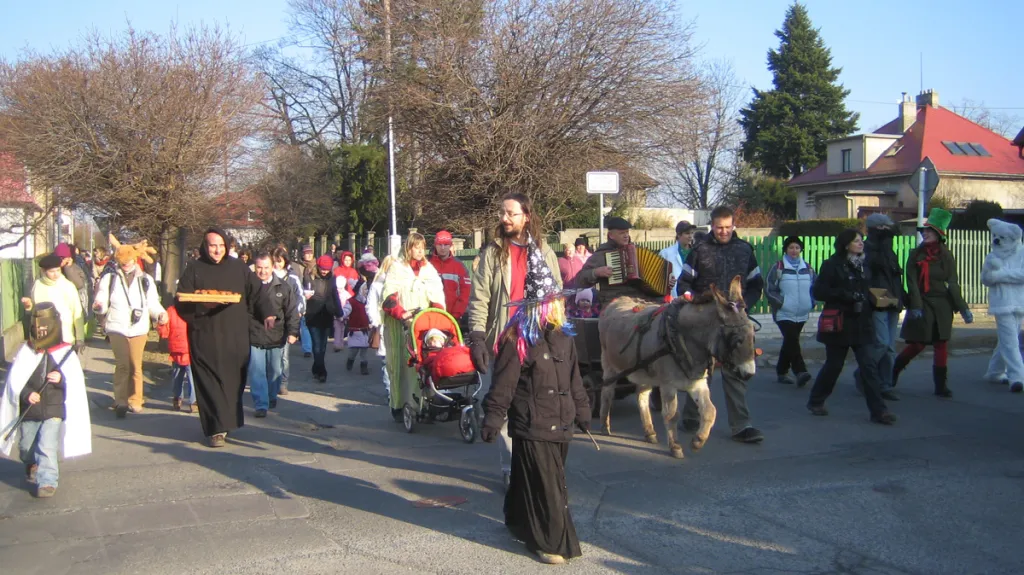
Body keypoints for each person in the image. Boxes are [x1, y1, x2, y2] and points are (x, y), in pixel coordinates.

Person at [481, 259, 589, 565]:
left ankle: (518, 520)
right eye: (554, 302)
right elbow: (503, 384)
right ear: (540, 307)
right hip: (531, 423)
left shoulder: (565, 337)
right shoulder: (517, 340)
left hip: (561, 422)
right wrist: (492, 418)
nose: (560, 307)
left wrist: (582, 410)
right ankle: (551, 542)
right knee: (548, 486)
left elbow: (575, 379)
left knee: (536, 477)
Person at [467, 192, 562, 489]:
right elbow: (479, 298)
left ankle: (533, 463)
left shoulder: (544, 251)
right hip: (504, 341)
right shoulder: (493, 254)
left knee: (536, 406)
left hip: (537, 341)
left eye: (511, 213)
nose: (504, 218)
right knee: (505, 407)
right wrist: (478, 339)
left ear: (526, 217)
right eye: (502, 213)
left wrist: (557, 336)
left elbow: (555, 296)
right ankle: (510, 470)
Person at [677, 206, 764, 444]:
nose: (723, 231)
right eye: (719, 227)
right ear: (712, 226)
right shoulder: (699, 250)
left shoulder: (745, 250)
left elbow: (757, 284)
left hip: (735, 320)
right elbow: (683, 284)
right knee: (701, 371)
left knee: (735, 370)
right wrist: (691, 300)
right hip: (707, 321)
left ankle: (741, 425)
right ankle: (691, 417)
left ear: (733, 226)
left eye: (727, 227)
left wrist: (746, 304)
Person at [0, 304, 92, 498]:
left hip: (53, 408)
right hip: (30, 409)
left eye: (45, 328)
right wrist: (26, 394)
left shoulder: (65, 351)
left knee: (47, 445)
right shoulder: (26, 351)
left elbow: (74, 383)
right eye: (37, 328)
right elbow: (14, 381)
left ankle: (47, 481)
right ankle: (31, 463)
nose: (41, 332)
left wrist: (61, 379)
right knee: (26, 446)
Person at [806, 229, 896, 425]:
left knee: (869, 367)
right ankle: (816, 400)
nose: (861, 243)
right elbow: (819, 291)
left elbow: (870, 289)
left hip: (862, 322)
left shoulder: (865, 265)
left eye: (861, 240)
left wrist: (883, 300)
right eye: (856, 241)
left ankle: (879, 411)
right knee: (834, 365)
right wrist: (844, 294)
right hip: (840, 323)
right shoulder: (832, 265)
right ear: (846, 244)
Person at [176, 229, 254, 447]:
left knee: (232, 383)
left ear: (227, 246)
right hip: (204, 337)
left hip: (234, 337)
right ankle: (215, 430)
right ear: (205, 246)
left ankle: (227, 422)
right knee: (208, 384)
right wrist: (203, 307)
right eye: (212, 245)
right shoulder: (194, 269)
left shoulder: (239, 268)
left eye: (220, 245)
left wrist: (269, 313)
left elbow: (256, 293)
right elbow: (181, 301)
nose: (217, 250)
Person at [894, 208, 973, 398]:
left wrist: (963, 308)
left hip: (943, 304)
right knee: (918, 344)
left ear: (939, 235)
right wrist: (916, 305)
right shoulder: (915, 255)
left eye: (929, 231)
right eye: (924, 231)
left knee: (941, 343)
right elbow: (911, 282)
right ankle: (893, 372)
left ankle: (940, 385)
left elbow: (952, 283)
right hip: (922, 302)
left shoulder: (946, 255)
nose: (925, 233)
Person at [93, 238, 168, 418]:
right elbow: (102, 298)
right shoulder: (109, 278)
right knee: (122, 364)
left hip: (139, 328)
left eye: (130, 261)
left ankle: (136, 399)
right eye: (123, 262)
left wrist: (160, 314)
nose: (127, 264)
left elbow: (152, 303)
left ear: (136, 260)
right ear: (118, 261)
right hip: (116, 327)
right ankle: (120, 400)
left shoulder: (146, 280)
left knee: (136, 365)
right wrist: (99, 306)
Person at [381, 233, 446, 420]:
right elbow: (388, 297)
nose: (419, 251)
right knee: (400, 367)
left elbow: (437, 295)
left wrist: (437, 315)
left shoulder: (429, 269)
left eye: (422, 247)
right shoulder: (397, 268)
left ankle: (425, 403)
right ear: (408, 248)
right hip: (400, 326)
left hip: (423, 324)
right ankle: (399, 405)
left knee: (423, 364)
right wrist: (401, 313)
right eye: (415, 247)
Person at [855, 214, 906, 400]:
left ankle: (885, 385)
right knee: (882, 342)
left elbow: (895, 276)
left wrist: (902, 297)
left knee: (890, 347)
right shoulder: (867, 249)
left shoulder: (889, 249)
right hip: (876, 301)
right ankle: (863, 372)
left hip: (892, 299)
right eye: (884, 228)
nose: (888, 231)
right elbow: (869, 274)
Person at [577, 217, 673, 309]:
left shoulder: (636, 251)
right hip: (615, 304)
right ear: (611, 235)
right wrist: (596, 272)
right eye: (621, 233)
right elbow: (580, 279)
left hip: (640, 301)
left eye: (627, 232)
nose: (626, 235)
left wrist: (667, 283)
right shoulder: (601, 254)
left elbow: (655, 278)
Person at [247, 253, 300, 418]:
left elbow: (291, 311)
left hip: (276, 336)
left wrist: (293, 332)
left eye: (266, 268)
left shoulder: (283, 287)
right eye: (259, 268)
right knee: (257, 371)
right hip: (254, 335)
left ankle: (271, 396)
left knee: (275, 370)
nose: (262, 271)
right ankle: (260, 404)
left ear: (272, 268)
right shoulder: (248, 287)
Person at [764, 236, 816, 386]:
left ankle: (781, 371)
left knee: (790, 341)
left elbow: (815, 287)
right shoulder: (778, 267)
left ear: (801, 250)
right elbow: (769, 288)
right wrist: (782, 303)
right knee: (792, 340)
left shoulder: (808, 268)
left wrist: (811, 302)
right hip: (783, 312)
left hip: (802, 313)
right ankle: (801, 371)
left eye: (797, 248)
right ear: (786, 249)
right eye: (791, 247)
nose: (794, 250)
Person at [982, 218, 1024, 392]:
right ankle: (1017, 377)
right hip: (1001, 303)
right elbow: (985, 279)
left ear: (1012, 239)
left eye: (1002, 237)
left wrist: (999, 275)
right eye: (995, 236)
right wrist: (992, 274)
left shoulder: (1021, 253)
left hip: (1019, 302)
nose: (997, 240)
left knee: (1007, 339)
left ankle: (994, 372)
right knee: (1011, 341)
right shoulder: (992, 257)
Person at [21, 255, 86, 351]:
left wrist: (80, 338)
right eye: (52, 271)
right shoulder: (38, 285)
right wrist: (29, 306)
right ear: (43, 271)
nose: (56, 274)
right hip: (43, 337)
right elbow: (36, 309)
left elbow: (77, 312)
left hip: (65, 337)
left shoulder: (68, 286)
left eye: (58, 270)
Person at [271, 248, 305, 396]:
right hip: (270, 322)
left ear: (285, 261)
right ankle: (271, 381)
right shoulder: (267, 276)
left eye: (279, 261)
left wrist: (297, 311)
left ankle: (283, 383)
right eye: (274, 261)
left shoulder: (292, 277)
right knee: (271, 355)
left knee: (284, 355)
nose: (277, 264)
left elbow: (300, 297)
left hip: (287, 321)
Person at [304, 255, 342, 383]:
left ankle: (316, 367)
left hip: (327, 314)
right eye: (322, 269)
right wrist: (306, 297)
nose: (325, 271)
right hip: (313, 313)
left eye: (327, 269)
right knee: (316, 345)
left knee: (323, 345)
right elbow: (303, 292)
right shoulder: (310, 276)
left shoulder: (332, 278)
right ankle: (322, 371)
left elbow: (335, 295)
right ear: (318, 267)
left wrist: (339, 312)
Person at [158, 303, 196, 412]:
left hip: (181, 349)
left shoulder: (171, 310)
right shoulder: (193, 308)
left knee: (179, 376)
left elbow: (164, 333)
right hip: (185, 349)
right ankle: (191, 401)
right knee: (189, 377)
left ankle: (179, 399)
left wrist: (161, 324)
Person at [345, 253, 379, 375]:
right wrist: (342, 315)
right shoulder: (353, 302)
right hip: (355, 330)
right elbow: (346, 311)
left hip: (365, 329)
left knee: (364, 351)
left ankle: (363, 366)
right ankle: (350, 360)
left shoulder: (368, 301)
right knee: (353, 350)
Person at [366, 255, 394, 401]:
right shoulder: (378, 285)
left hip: (400, 328)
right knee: (387, 363)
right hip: (384, 326)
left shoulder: (402, 283)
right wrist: (376, 322)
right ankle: (391, 394)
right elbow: (370, 305)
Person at [429, 230, 472, 321]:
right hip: (430, 316)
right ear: (435, 245)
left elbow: (465, 293)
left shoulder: (459, 266)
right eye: (440, 244)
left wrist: (455, 315)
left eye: (446, 244)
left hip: (453, 317)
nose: (443, 247)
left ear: (451, 245)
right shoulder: (427, 264)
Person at [659, 220, 696, 298]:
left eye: (692, 233)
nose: (690, 236)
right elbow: (658, 277)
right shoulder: (666, 253)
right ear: (679, 235)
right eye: (687, 233)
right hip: (673, 298)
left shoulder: (696, 253)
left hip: (692, 298)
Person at [333, 251, 358, 352]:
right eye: (346, 260)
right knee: (338, 323)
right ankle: (338, 343)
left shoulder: (353, 271)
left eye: (349, 260)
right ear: (342, 260)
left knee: (351, 322)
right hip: (339, 299)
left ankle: (353, 341)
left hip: (351, 298)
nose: (348, 262)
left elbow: (356, 286)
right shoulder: (337, 270)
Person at [54, 243, 89, 317]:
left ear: (69, 257)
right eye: (59, 258)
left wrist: (68, 268)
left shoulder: (75, 267)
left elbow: (79, 285)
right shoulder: (51, 268)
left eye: (63, 258)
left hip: (74, 305)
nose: (61, 260)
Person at [298, 245, 316, 358]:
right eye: (306, 253)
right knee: (304, 324)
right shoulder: (298, 266)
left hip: (315, 297)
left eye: (310, 253)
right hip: (302, 297)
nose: (309, 255)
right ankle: (307, 349)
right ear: (303, 254)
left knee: (314, 323)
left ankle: (315, 345)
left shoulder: (317, 265)